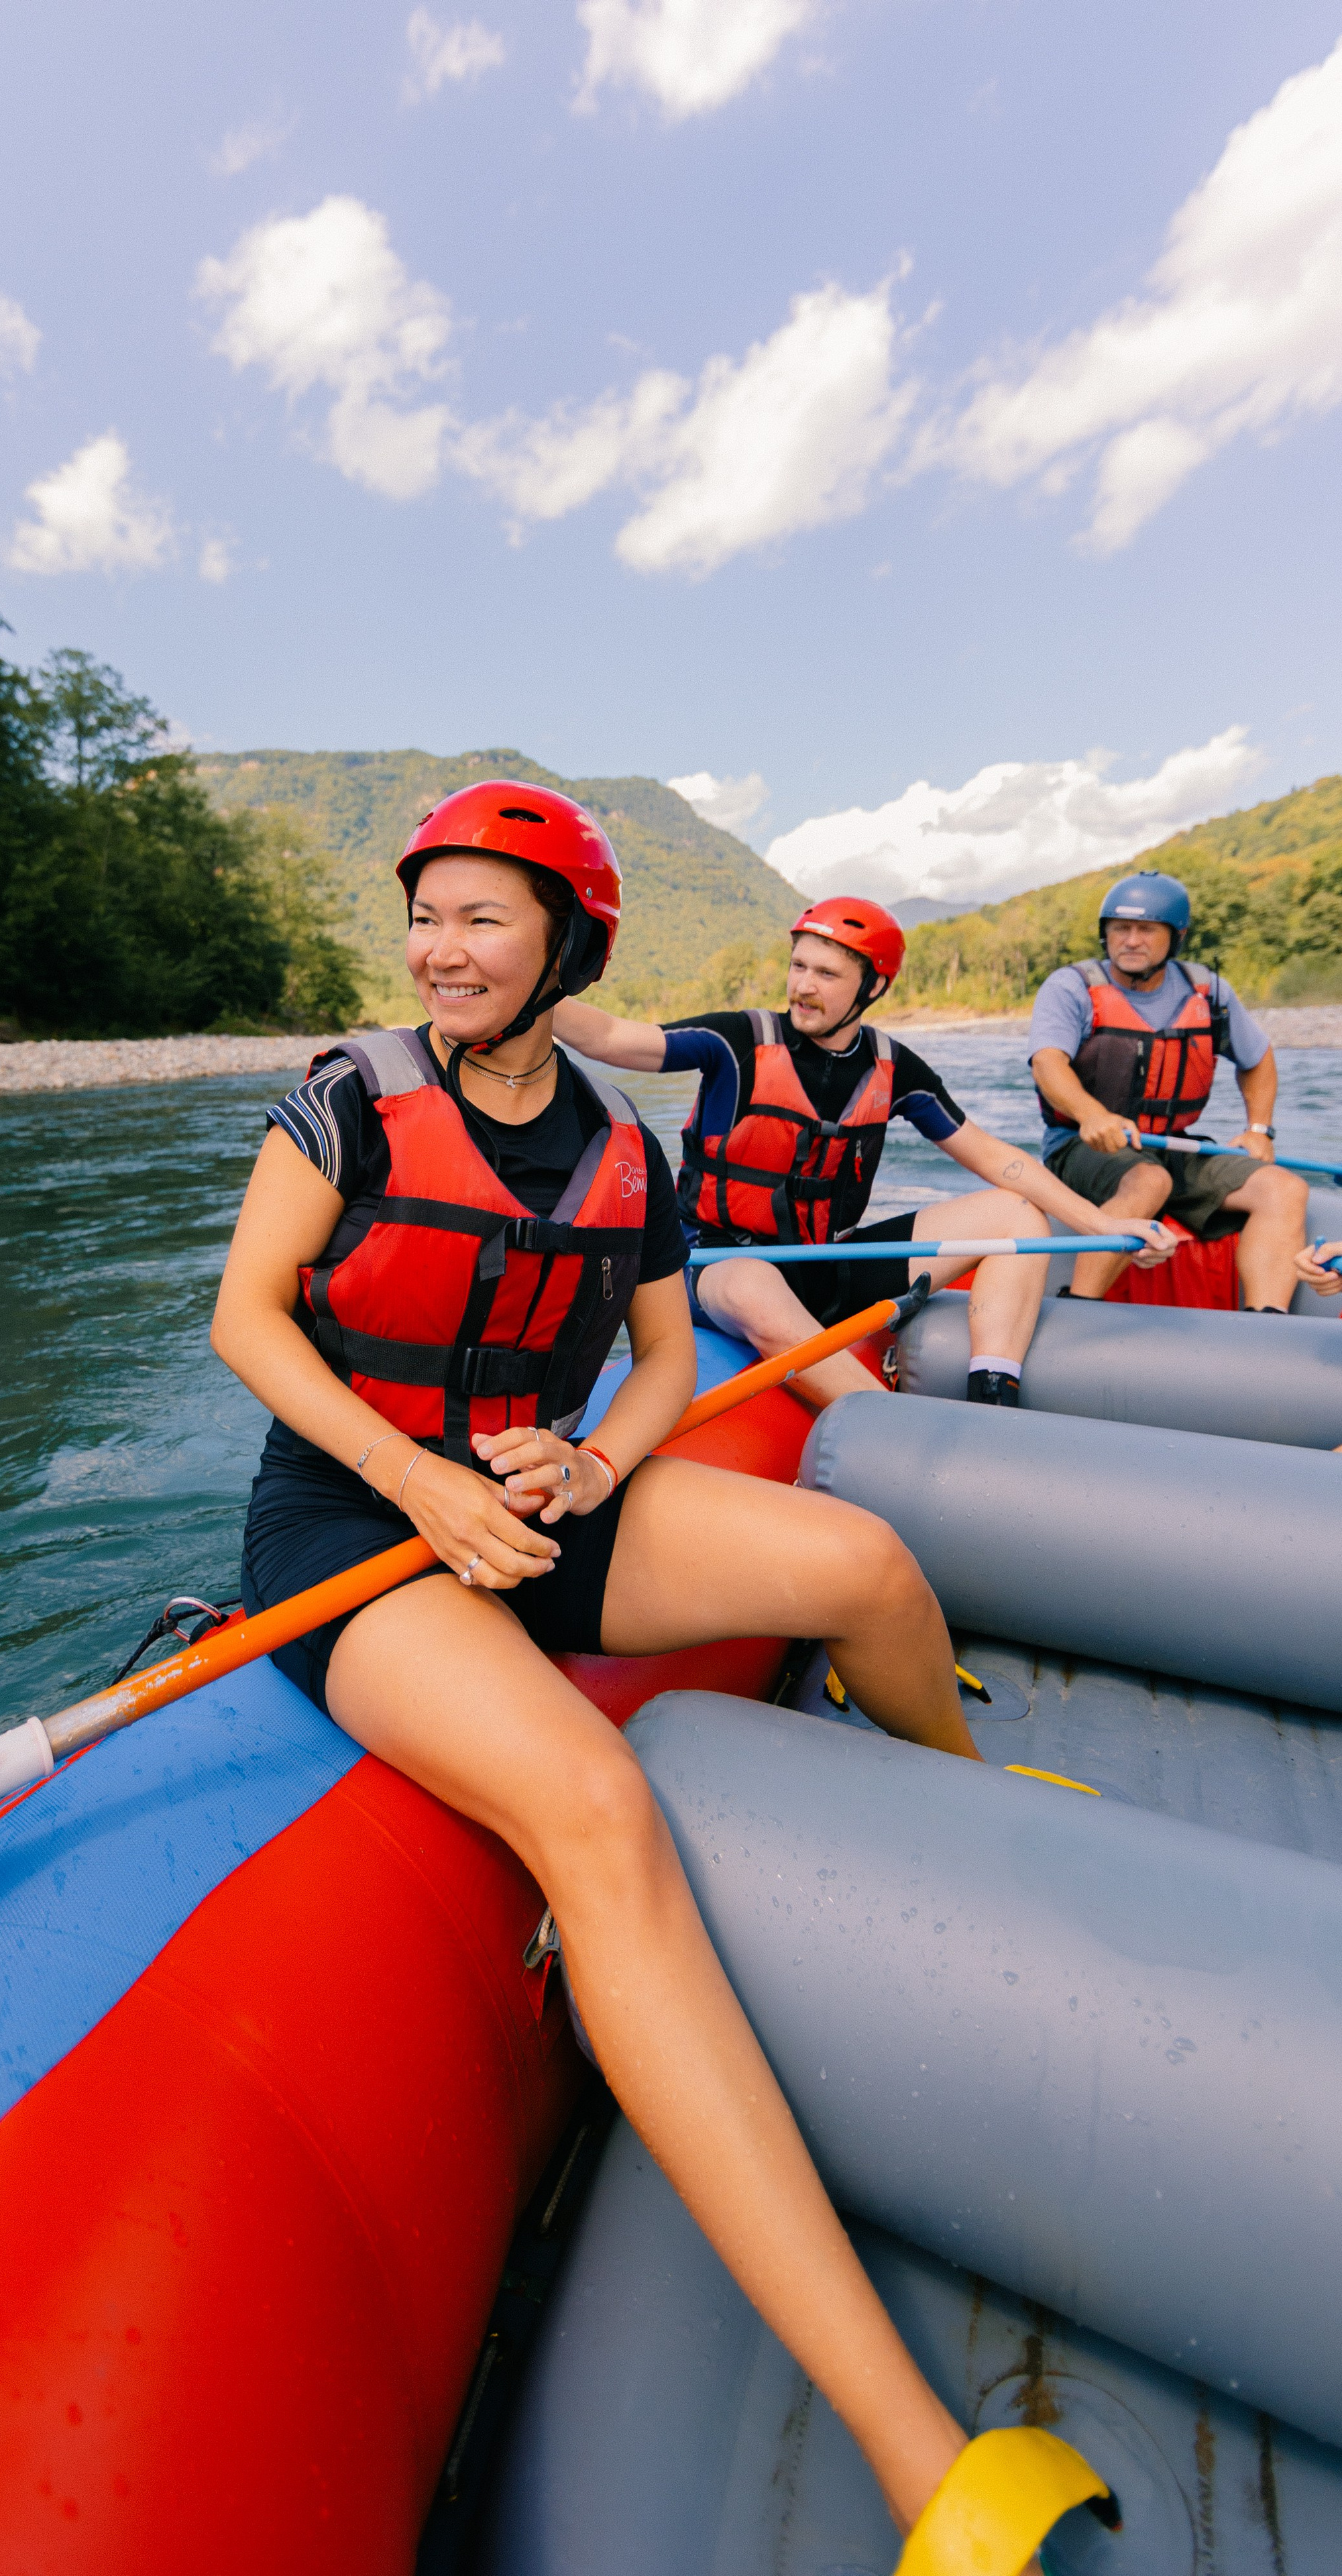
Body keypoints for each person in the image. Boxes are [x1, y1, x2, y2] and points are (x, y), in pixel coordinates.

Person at [210, 782, 1070, 2555]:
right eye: (427, 915)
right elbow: (245, 1322)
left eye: (482, 919)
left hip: (545, 1492)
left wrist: (595, 1464)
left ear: (566, 949)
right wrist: (421, 1483)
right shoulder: (346, 1104)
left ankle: (975, 1821)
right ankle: (926, 2456)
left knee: (861, 1561)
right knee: (596, 1809)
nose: (442, 949)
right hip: (358, 1530)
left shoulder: (624, 1147)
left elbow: (667, 1354)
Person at [553, 895, 1172, 1414]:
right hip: (716, 1269)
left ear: (872, 986)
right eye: (799, 966)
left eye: (826, 974)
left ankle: (993, 1391)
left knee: (1016, 1214)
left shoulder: (893, 1066)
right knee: (752, 1287)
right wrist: (521, 991)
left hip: (827, 1263)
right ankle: (894, 1422)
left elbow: (990, 1155)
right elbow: (610, 1038)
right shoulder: (735, 1040)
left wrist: (1103, 1225)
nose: (803, 986)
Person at [1029, 869, 1308, 1309]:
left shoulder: (1208, 992)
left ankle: (1266, 1322)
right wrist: (1091, 1114)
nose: (1131, 940)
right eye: (1120, 929)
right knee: (1148, 1181)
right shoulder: (1072, 987)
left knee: (1285, 1189)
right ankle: (1080, 1304)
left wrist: (1259, 1129)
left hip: (1171, 1144)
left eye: (1146, 930)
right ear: (1105, 936)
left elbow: (1258, 1061)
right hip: (1083, 1145)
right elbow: (1048, 1064)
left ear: (1175, 937)